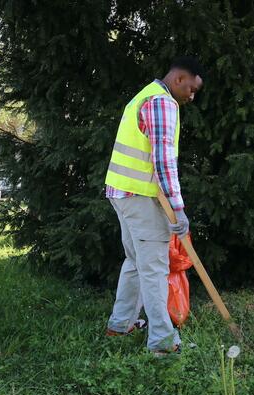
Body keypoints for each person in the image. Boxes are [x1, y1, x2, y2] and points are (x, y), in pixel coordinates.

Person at [104, 57, 204, 356]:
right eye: (191, 89)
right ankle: (162, 340)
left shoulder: (145, 94)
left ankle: (120, 324)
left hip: (122, 193)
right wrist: (178, 208)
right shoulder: (162, 103)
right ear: (179, 79)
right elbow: (163, 161)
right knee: (154, 269)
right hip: (141, 198)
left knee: (136, 262)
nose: (191, 96)